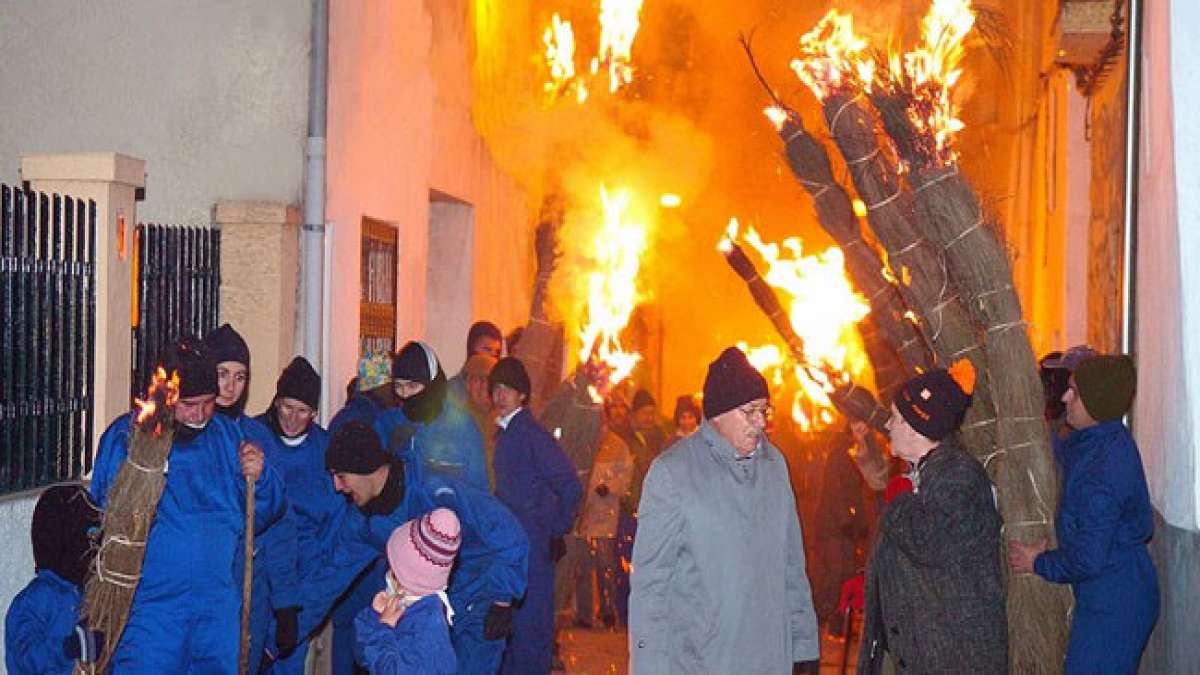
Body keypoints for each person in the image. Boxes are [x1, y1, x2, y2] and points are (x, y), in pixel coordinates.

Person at [90, 338, 285, 673]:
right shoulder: (128, 438)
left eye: (209, 403)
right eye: (190, 404)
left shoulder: (228, 438)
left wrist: (262, 479)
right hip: (151, 609)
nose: (200, 414)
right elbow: (101, 515)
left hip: (216, 607)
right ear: (166, 397)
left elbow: (263, 515)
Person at [629, 346, 820, 673]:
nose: (760, 422)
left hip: (770, 659)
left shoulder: (774, 467)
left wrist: (804, 649)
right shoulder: (673, 473)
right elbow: (651, 586)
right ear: (718, 414)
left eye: (765, 410)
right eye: (750, 411)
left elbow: (792, 567)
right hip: (705, 661)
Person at [312, 421, 529, 674]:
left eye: (341, 476)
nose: (337, 487)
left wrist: (502, 598)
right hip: (425, 613)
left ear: (364, 468)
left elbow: (508, 532)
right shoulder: (365, 520)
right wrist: (287, 621)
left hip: (480, 599)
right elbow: (330, 575)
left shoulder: (434, 489)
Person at [1008, 355, 1158, 673]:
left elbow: (1089, 558)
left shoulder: (1104, 470)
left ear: (1096, 401)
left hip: (1115, 602)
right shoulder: (1097, 440)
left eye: (1074, 391)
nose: (1065, 397)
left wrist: (1037, 562)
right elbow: (1066, 458)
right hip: (1111, 586)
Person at [859, 359, 1007, 674]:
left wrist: (898, 500)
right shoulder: (927, 472)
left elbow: (929, 542)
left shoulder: (957, 477)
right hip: (925, 652)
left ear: (917, 428)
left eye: (896, 419)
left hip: (952, 658)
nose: (888, 426)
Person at [203, 324, 302, 672]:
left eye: (240, 377)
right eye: (221, 374)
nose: (230, 387)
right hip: (203, 588)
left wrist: (286, 602)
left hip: (250, 587)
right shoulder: (189, 433)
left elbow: (280, 525)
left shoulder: (257, 437)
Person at [489, 357, 583, 673]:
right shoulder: (504, 433)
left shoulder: (530, 434)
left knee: (529, 636)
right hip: (511, 546)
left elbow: (569, 484)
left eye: (508, 389)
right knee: (513, 637)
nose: (500, 395)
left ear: (522, 395)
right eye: (496, 388)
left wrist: (555, 528)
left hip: (530, 549)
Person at [256, 356, 343, 674]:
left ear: (315, 414)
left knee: (288, 653)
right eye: (287, 407)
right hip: (260, 564)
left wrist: (314, 574)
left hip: (305, 568)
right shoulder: (254, 437)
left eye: (303, 411)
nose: (292, 419)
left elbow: (335, 522)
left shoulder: (325, 451)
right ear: (276, 402)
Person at [5, 483, 102, 674]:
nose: (93, 548)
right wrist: (67, 648)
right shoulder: (37, 598)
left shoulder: (87, 593)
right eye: (88, 537)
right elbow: (26, 656)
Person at [355, 509, 461, 675]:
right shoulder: (408, 606)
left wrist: (384, 629)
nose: (387, 575)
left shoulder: (428, 632)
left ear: (404, 583)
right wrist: (375, 616)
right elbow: (362, 655)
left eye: (392, 571)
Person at [376, 341, 488, 491]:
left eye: (412, 386)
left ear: (432, 384)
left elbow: (478, 489)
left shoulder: (461, 427)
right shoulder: (387, 423)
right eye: (399, 386)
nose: (405, 394)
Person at [576, 399, 636, 628]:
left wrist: (610, 488)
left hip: (605, 514)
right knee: (583, 565)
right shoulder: (583, 444)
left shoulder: (617, 446)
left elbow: (625, 475)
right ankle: (584, 613)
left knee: (605, 563)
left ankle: (608, 609)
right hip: (583, 515)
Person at [330, 351, 398, 434]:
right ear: (382, 386)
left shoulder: (348, 415)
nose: (399, 390)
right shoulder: (372, 420)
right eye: (396, 383)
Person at [447, 321, 504, 407]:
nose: (492, 357)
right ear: (472, 350)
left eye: (496, 353)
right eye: (487, 349)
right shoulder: (453, 389)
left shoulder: (499, 391)